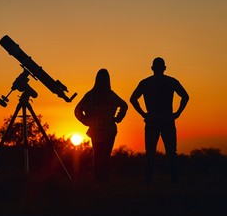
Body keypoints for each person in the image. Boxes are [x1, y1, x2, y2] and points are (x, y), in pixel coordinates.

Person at [130, 57, 189, 185]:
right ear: (164, 68)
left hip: (152, 120)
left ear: (152, 68)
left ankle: (149, 182)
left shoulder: (146, 83)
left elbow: (133, 98)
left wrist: (143, 114)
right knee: (171, 153)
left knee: (150, 153)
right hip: (168, 120)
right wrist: (177, 113)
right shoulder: (171, 82)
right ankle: (174, 181)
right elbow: (185, 96)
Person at [75, 69, 128, 182]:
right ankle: (102, 181)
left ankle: (99, 180)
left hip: (97, 130)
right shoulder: (110, 95)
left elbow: (77, 110)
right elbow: (124, 105)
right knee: (104, 157)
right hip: (108, 130)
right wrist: (118, 118)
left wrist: (86, 121)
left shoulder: (90, 95)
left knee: (98, 156)